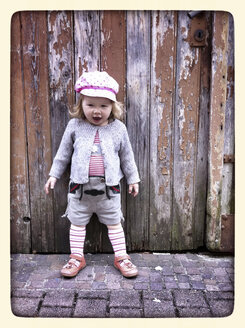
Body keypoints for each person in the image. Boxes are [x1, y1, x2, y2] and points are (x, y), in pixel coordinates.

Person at [44, 71, 140, 278]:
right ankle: (76, 257)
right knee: (77, 224)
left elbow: (127, 157)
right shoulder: (75, 126)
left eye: (103, 106)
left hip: (110, 191)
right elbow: (63, 154)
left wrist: (133, 179)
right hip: (79, 191)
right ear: (82, 104)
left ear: (113, 107)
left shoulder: (118, 129)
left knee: (115, 224)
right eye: (91, 105)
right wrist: (54, 175)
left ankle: (121, 257)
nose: (97, 111)